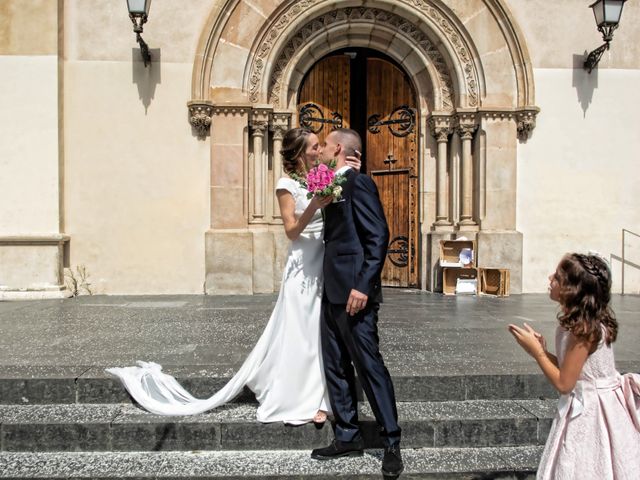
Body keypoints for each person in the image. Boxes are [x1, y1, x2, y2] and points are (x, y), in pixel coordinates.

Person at [106, 127, 360, 425]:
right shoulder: (286, 184)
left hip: (323, 263)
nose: (320, 151)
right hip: (303, 264)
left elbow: (341, 200)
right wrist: (314, 206)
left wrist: (349, 172)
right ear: (300, 152)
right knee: (302, 332)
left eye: (320, 146)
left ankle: (322, 397)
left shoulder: (321, 176)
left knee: (320, 332)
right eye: (315, 146)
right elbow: (291, 231)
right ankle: (298, 397)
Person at [310, 128, 404, 478]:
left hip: (354, 293)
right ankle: (347, 433)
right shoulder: (329, 183)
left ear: (337, 148)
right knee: (335, 364)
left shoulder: (357, 182)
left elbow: (378, 235)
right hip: (331, 289)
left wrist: (363, 285)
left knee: (368, 364)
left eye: (324, 145)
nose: (318, 150)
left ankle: (391, 439)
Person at [508, 253, 640, 480]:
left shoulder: (584, 330)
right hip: (591, 402)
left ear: (573, 289)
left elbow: (565, 383)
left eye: (558, 278)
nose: (550, 278)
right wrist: (544, 351)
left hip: (593, 413)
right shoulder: (580, 324)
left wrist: (537, 353)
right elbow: (573, 370)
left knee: (585, 467)